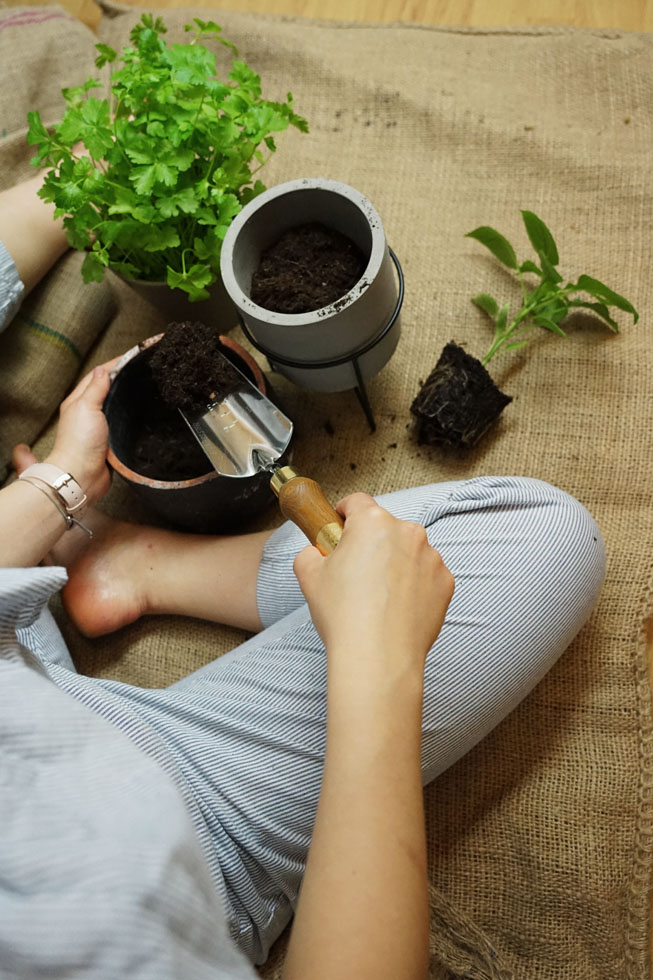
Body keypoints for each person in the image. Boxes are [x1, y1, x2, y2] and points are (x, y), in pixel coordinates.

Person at [0, 176, 606, 979]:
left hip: (26, 687)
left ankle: (126, 563)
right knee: (549, 535)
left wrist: (54, 491)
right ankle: (132, 564)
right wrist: (375, 665)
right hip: (172, 825)